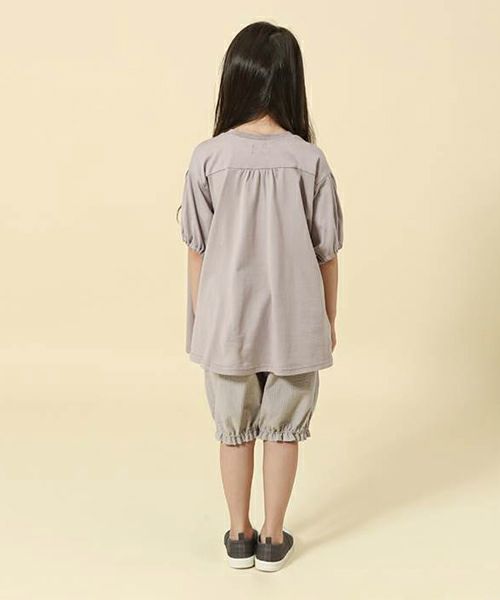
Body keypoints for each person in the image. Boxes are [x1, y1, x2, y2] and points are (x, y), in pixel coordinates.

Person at [177, 21, 343, 572]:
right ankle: (273, 537)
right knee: (284, 428)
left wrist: (204, 321)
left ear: (235, 79)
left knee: (233, 430)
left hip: (225, 323)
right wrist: (328, 320)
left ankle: (238, 534)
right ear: (293, 82)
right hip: (295, 322)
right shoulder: (309, 160)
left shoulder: (208, 157)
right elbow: (326, 254)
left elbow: (197, 250)